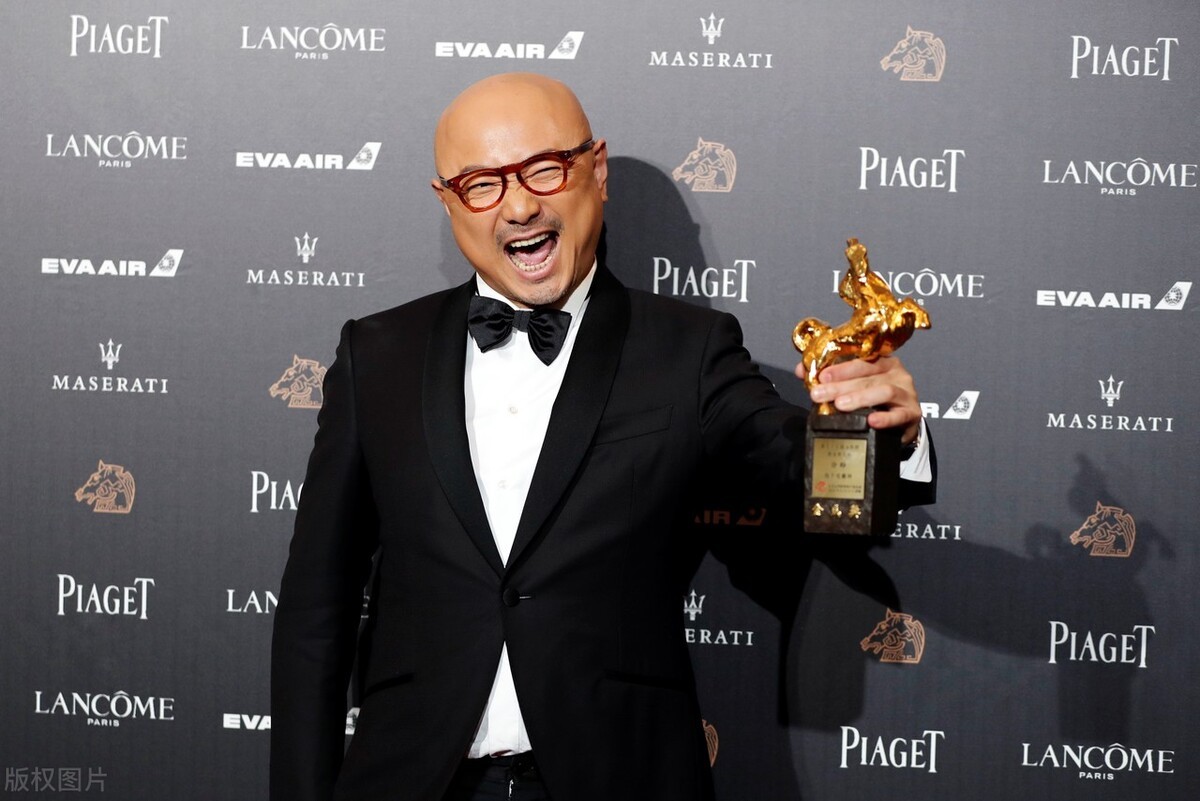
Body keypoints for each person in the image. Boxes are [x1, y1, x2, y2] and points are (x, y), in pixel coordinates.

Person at [270, 72, 935, 801]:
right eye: (482, 184)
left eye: (545, 169)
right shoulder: (376, 354)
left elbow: (790, 458)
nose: (519, 206)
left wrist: (880, 429)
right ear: (448, 201)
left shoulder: (688, 350)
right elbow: (315, 608)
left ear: (597, 169)